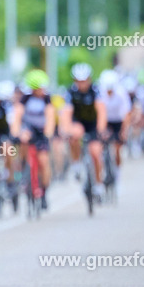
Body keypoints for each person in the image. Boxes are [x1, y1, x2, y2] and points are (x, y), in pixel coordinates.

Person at [11, 70, 55, 208]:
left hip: (42, 132)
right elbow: (17, 116)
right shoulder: (25, 99)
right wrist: (16, 132)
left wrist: (48, 133)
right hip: (29, 130)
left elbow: (50, 117)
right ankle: (23, 165)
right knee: (24, 139)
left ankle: (44, 191)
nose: (42, 90)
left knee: (44, 161)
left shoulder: (46, 99)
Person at [62, 63, 107, 195]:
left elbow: (101, 111)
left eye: (84, 80)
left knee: (96, 153)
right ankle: (76, 162)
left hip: (93, 124)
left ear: (89, 79)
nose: (82, 84)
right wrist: (66, 129)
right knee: (74, 134)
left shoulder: (95, 90)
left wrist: (101, 129)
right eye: (79, 81)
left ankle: (98, 183)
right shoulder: (71, 92)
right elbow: (66, 112)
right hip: (78, 123)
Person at [98, 69, 131, 170]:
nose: (109, 91)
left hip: (118, 121)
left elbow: (127, 113)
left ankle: (117, 173)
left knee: (117, 148)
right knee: (99, 145)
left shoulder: (121, 93)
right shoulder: (99, 93)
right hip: (105, 121)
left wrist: (124, 130)